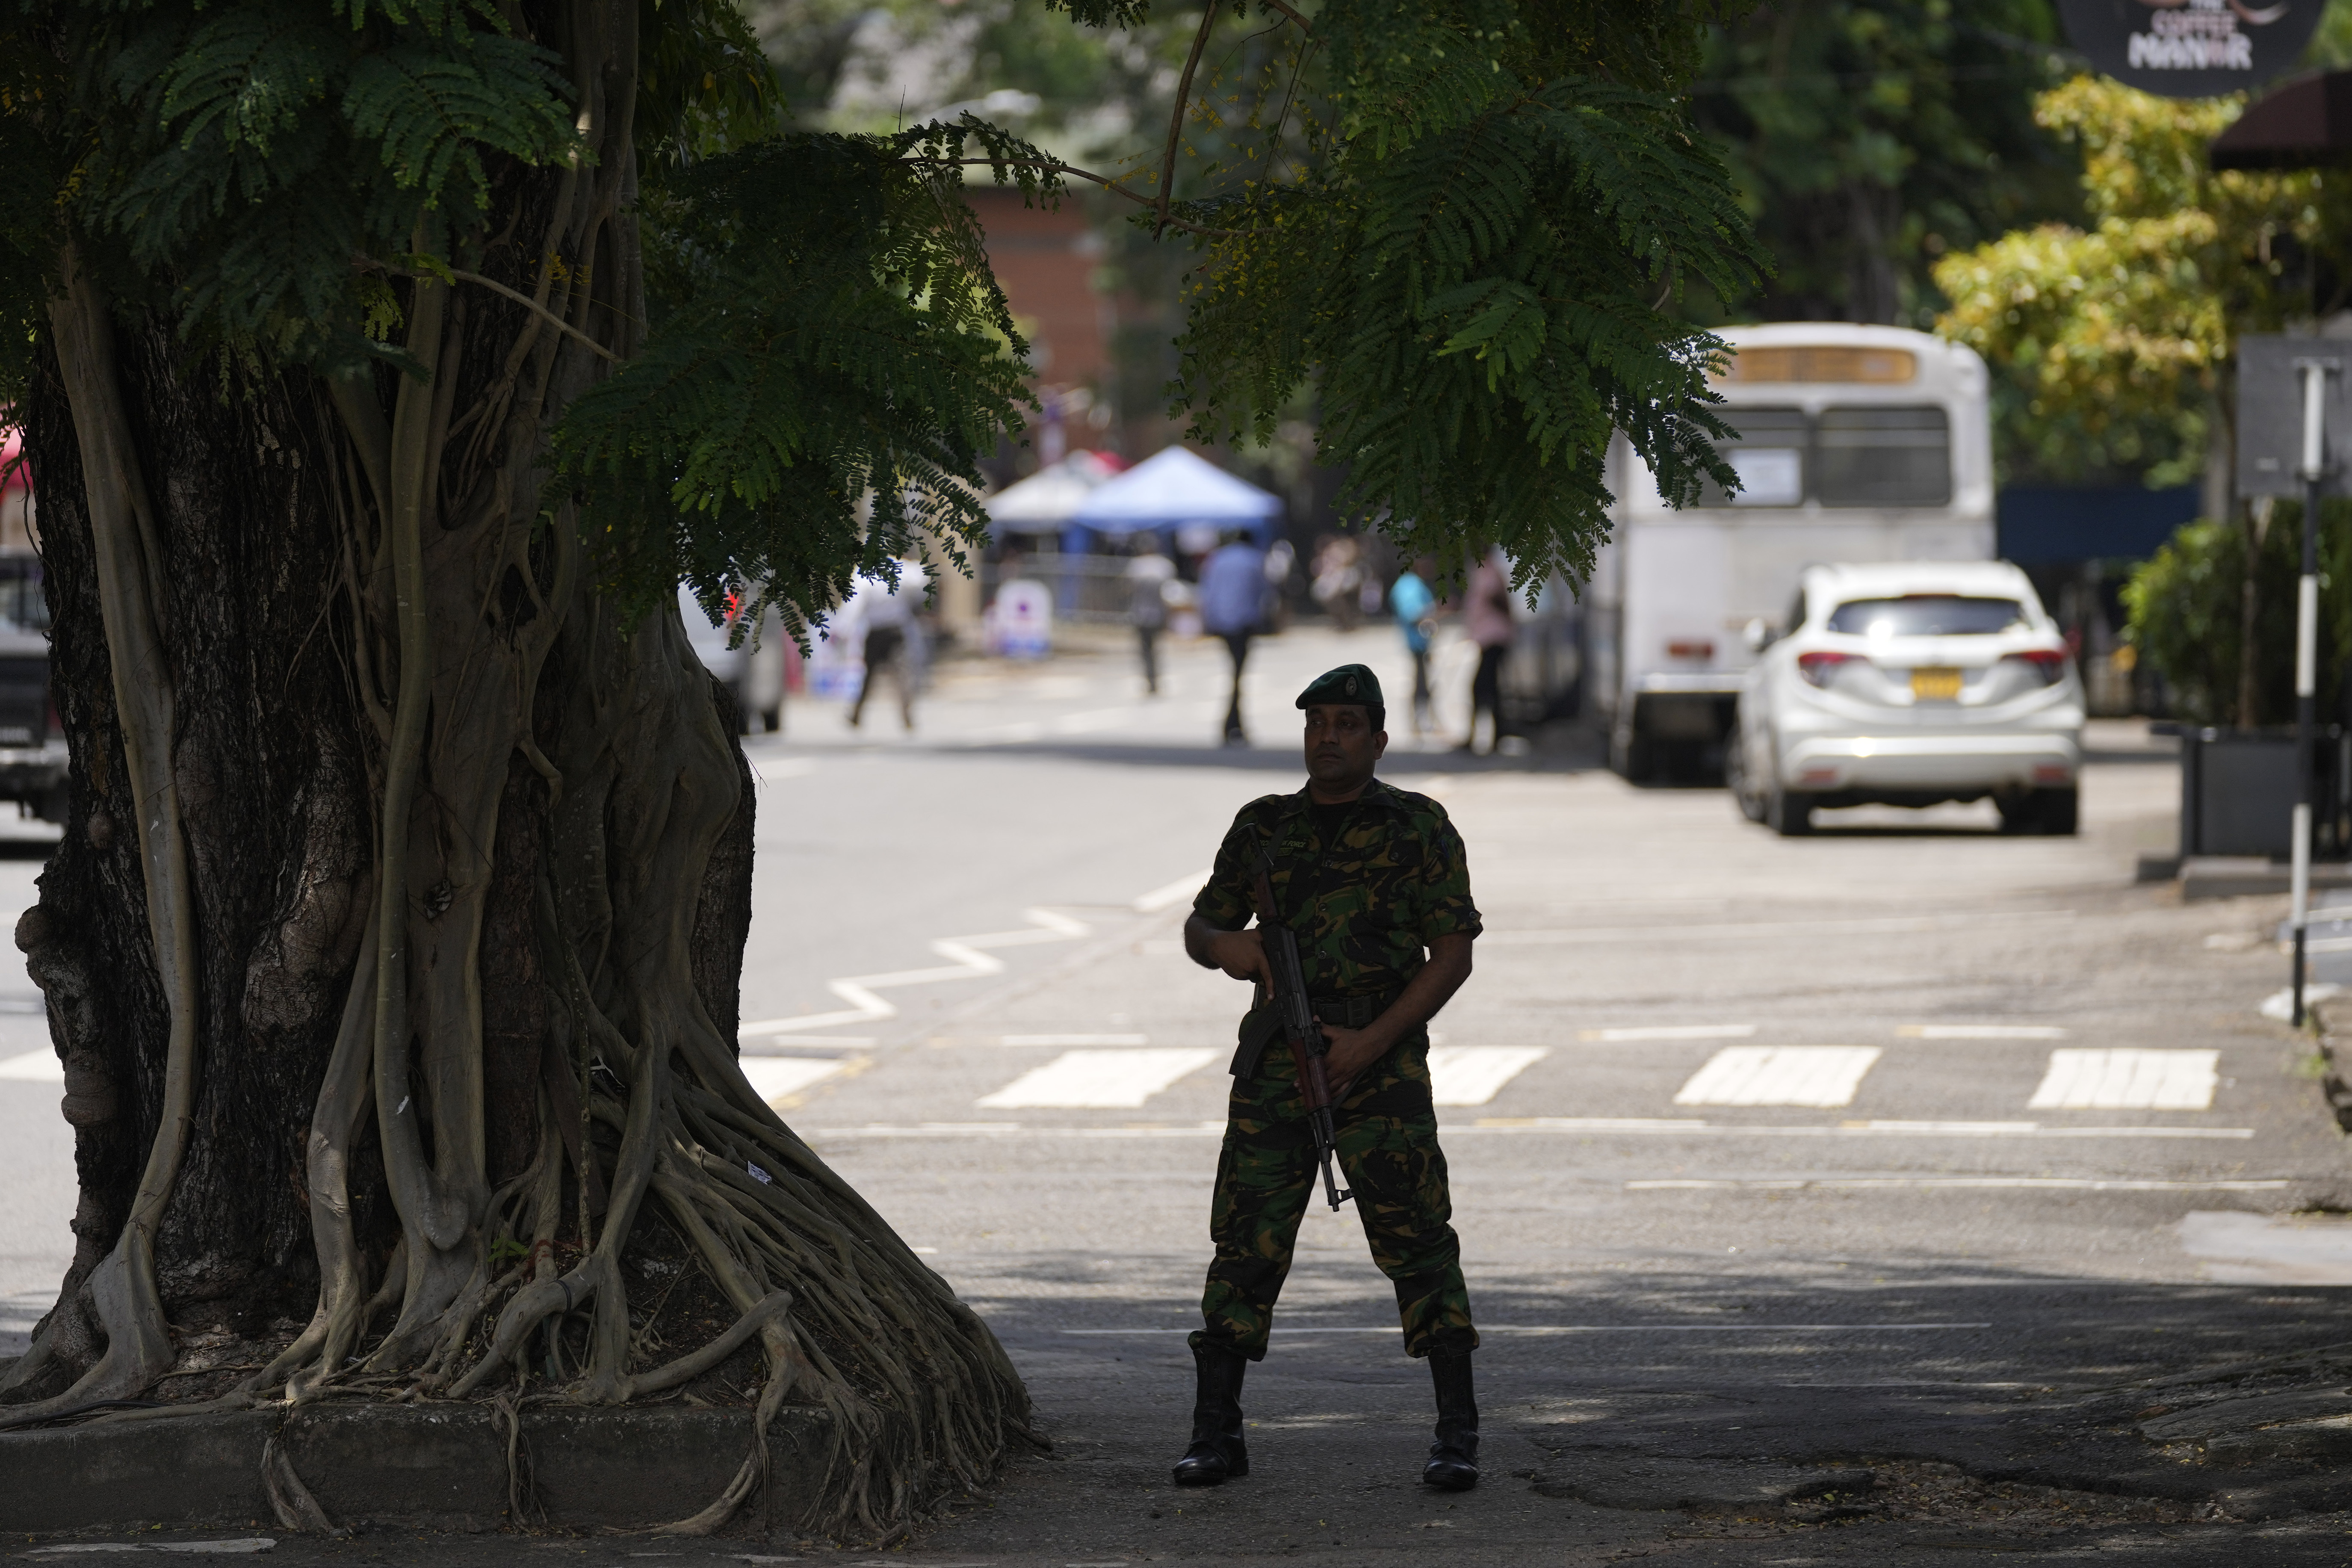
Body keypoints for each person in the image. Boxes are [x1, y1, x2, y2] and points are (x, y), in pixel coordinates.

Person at [1175, 664, 1484, 1492]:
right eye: (1317, 722)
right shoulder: (1263, 828)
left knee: (1418, 1241)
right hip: (1277, 1067)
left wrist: (1370, 1043)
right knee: (1244, 1244)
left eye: (1348, 723)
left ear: (1378, 739)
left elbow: (1450, 956)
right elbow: (1203, 923)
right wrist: (1226, 947)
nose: (1329, 735)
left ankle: (1456, 1434)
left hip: (1379, 1066)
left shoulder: (1417, 827)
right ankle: (1215, 1433)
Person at [1197, 531, 1270, 744]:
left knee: (1235, 673)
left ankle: (1233, 723)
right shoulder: (1254, 559)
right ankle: (1233, 724)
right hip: (1244, 622)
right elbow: (1264, 592)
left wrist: (1208, 620)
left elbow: (1208, 591)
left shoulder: (1218, 558)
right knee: (1238, 674)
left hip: (1222, 621)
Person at [846, 556, 929, 730]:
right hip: (888, 631)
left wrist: (844, 628)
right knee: (897, 675)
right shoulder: (897, 568)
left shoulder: (865, 572)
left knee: (882, 676)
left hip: (885, 631)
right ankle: (903, 716)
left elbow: (854, 604)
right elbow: (921, 579)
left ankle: (860, 714)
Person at [1460, 549, 1513, 755]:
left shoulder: (1489, 573)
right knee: (1488, 689)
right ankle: (1487, 735)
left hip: (1495, 637)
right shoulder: (1480, 571)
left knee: (1483, 689)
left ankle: (1487, 736)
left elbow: (1497, 599)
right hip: (1486, 638)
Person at [1390, 557, 1437, 734]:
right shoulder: (1410, 585)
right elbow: (1411, 613)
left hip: (1421, 641)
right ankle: (1420, 720)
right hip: (1417, 642)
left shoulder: (1411, 583)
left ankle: (1423, 720)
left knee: (1424, 681)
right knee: (1421, 682)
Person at [1125, 534, 1176, 695]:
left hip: (1142, 614)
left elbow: (1129, 589)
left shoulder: (1137, 566)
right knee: (1154, 649)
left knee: (1146, 650)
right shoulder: (1163, 566)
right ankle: (1154, 680)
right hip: (1155, 614)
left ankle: (1151, 680)